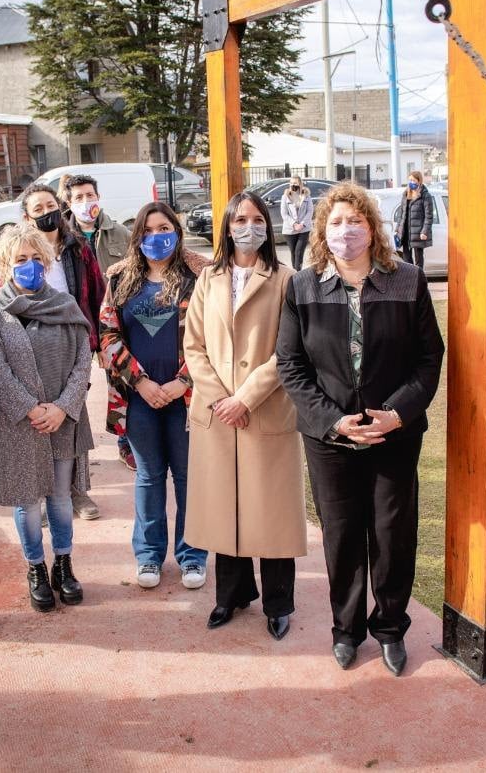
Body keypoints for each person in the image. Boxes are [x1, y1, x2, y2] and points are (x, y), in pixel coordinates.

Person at [276, 182, 444, 676]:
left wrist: (396, 413)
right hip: (330, 438)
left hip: (393, 432)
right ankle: (345, 629)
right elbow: (290, 364)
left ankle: (390, 627)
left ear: (372, 227)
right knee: (343, 534)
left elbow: (429, 358)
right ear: (321, 232)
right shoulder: (303, 286)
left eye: (355, 220)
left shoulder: (406, 280)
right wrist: (334, 421)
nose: (346, 230)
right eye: (336, 222)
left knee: (392, 532)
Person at [184, 191, 305, 641]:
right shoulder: (208, 278)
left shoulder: (286, 279)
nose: (248, 227)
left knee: (269, 512)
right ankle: (231, 595)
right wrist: (219, 398)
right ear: (227, 226)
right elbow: (193, 345)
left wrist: (246, 398)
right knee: (224, 508)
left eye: (257, 219)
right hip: (217, 415)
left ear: (268, 227)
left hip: (264, 410)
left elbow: (288, 351)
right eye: (240, 219)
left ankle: (279, 604)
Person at [0, 224, 95, 611]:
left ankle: (63, 563)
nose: (29, 266)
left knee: (60, 498)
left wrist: (62, 407)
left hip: (63, 419)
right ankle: (36, 567)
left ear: (46, 263)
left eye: (36, 259)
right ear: (5, 265)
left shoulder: (65, 306)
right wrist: (32, 409)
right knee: (28, 502)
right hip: (22, 424)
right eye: (20, 260)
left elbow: (83, 360)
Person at [99, 201, 210, 589]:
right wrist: (142, 383)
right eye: (146, 231)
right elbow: (108, 337)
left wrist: (183, 382)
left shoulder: (197, 280)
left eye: (163, 228)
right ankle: (148, 556)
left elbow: (211, 339)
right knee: (148, 476)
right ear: (137, 238)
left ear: (177, 232)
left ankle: (193, 554)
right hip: (138, 398)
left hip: (186, 397)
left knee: (187, 477)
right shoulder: (119, 280)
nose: (155, 237)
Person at [20, 182, 106, 519]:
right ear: (27, 217)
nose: (46, 213)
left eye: (49, 205)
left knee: (73, 417)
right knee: (38, 419)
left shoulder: (79, 247)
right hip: (31, 346)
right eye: (37, 209)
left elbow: (97, 293)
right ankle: (41, 494)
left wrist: (97, 341)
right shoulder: (21, 251)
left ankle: (76, 491)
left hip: (74, 343)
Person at [59, 173, 134, 470]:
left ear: (98, 197)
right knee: (75, 386)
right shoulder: (63, 238)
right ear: (68, 202)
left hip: (115, 321)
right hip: (78, 324)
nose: (85, 202)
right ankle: (76, 453)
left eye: (90, 195)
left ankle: (125, 441)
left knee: (120, 381)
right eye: (78, 197)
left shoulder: (120, 234)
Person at [394, 170, 435, 268]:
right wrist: (397, 229)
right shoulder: (405, 194)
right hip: (405, 231)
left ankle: (419, 279)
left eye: (413, 180)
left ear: (419, 181)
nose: (411, 182)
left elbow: (429, 216)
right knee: (406, 258)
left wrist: (424, 231)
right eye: (410, 180)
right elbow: (401, 213)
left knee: (418, 258)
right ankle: (410, 278)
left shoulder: (425, 196)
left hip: (418, 232)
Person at [279, 176, 314, 271]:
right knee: (293, 253)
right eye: (291, 183)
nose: (293, 185)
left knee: (299, 252)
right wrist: (294, 224)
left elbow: (310, 211)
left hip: (304, 229)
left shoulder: (306, 195)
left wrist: (302, 224)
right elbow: (284, 213)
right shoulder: (285, 196)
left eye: (295, 183)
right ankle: (295, 273)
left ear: (300, 184)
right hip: (290, 230)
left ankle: (297, 274)